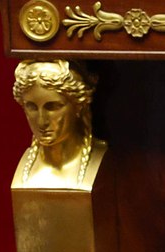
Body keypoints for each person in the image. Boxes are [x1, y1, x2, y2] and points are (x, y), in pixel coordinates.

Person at [11, 60, 100, 189]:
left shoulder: (100, 160)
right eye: (32, 107)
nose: (41, 121)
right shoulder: (25, 170)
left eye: (52, 107)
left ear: (79, 105)